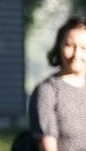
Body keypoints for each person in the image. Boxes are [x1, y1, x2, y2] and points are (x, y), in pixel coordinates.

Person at [29, 15, 86, 151]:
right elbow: (48, 144)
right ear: (59, 47)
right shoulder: (47, 91)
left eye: (84, 48)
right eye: (69, 46)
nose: (76, 54)